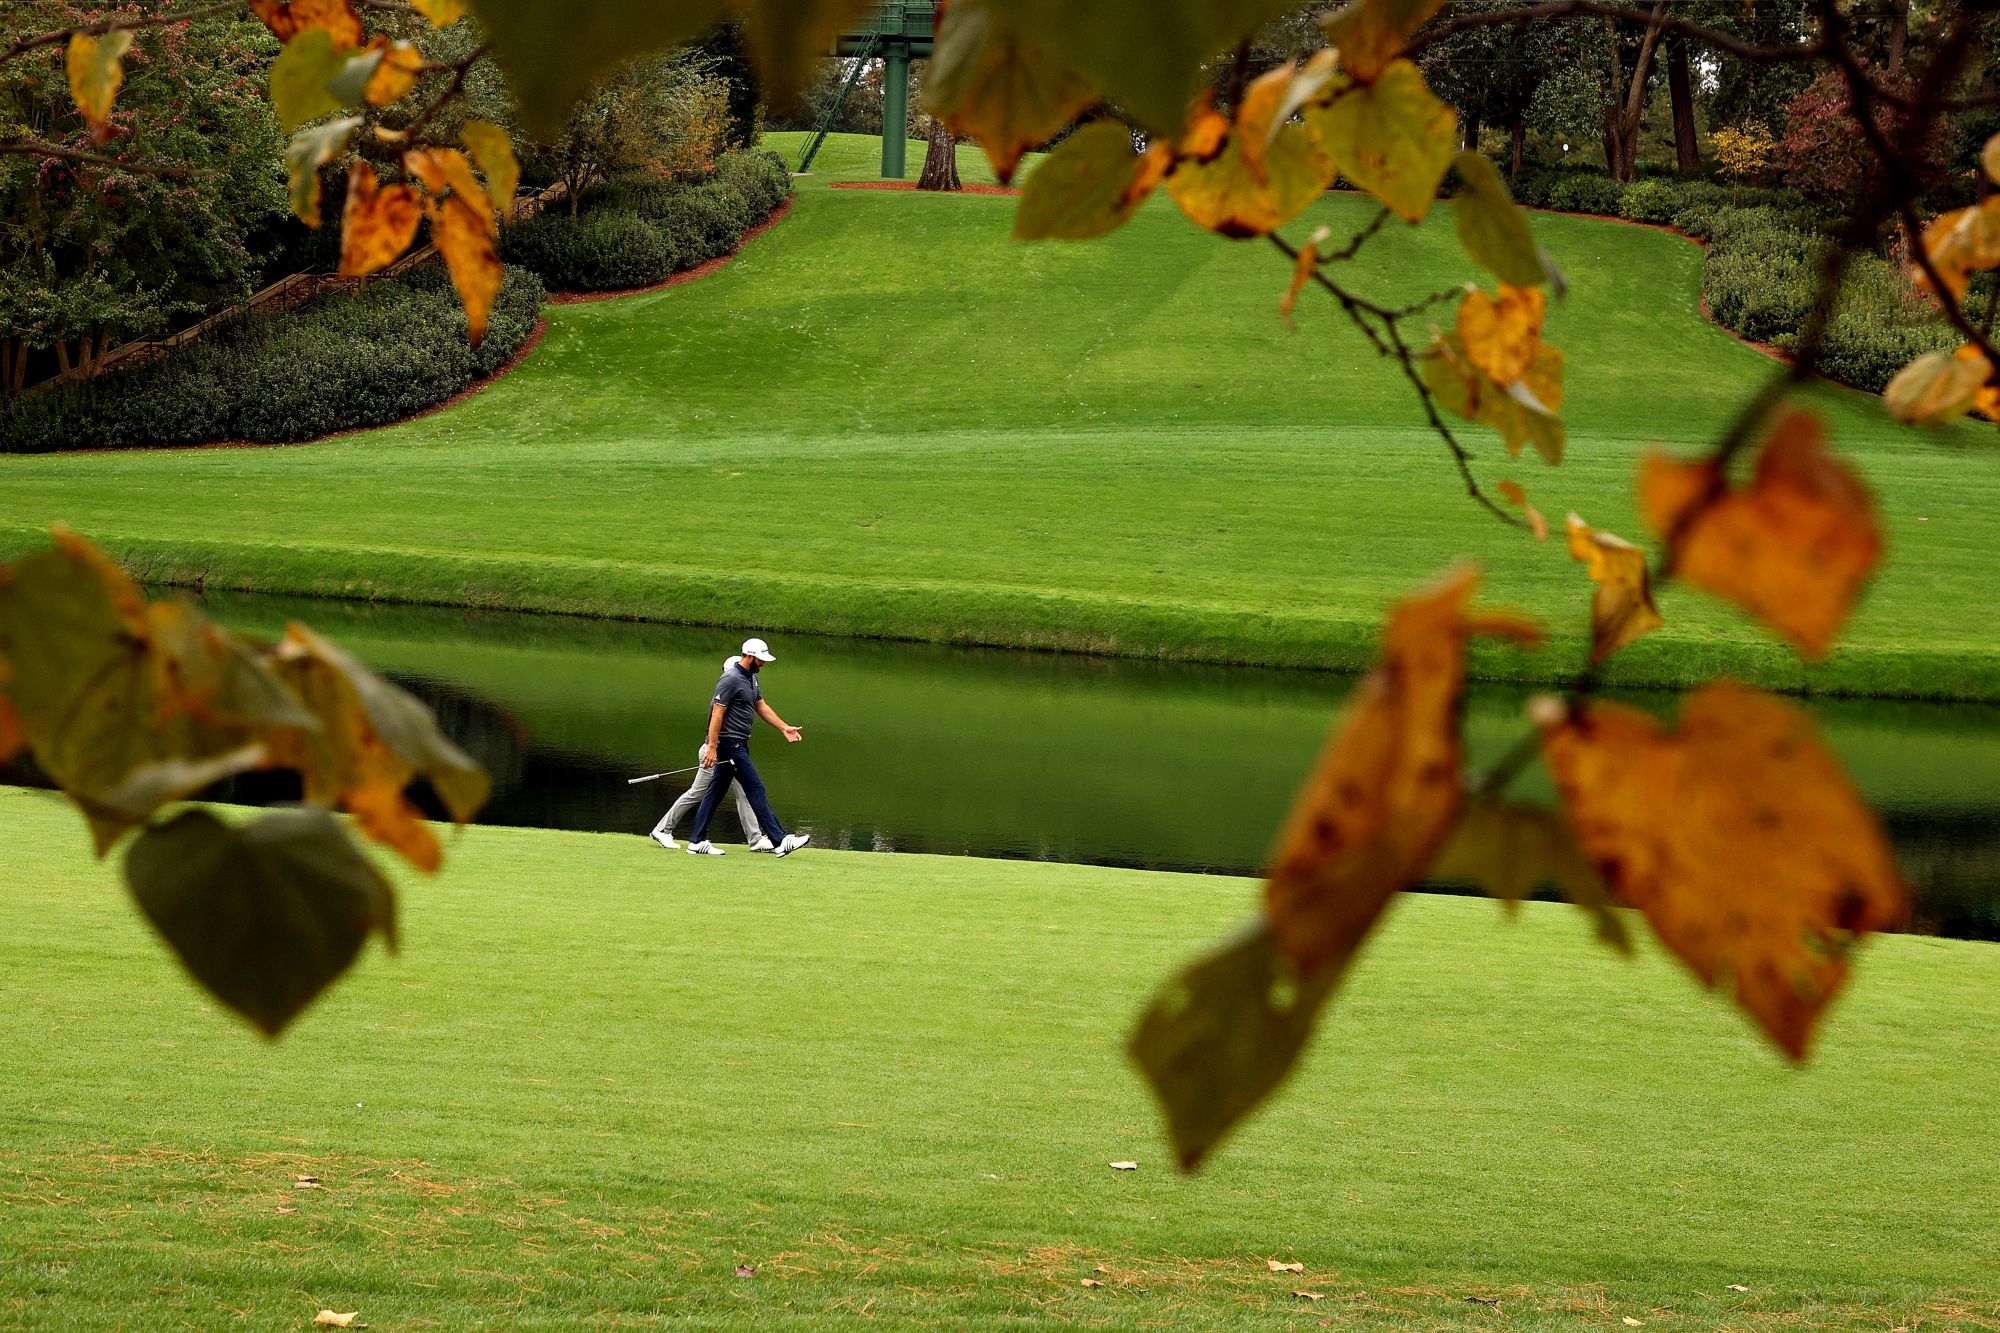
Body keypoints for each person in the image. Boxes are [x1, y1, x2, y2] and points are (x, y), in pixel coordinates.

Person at [684, 637, 811, 858]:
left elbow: (760, 706)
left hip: (738, 742)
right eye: (760, 659)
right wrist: (712, 747)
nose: (763, 663)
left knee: (715, 792)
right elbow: (717, 713)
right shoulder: (730, 679)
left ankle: (696, 840)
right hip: (729, 744)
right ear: (749, 656)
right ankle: (780, 840)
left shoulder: (750, 678)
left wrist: (783, 728)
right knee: (755, 788)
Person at [650, 656, 775, 852]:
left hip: (726, 753)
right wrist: (713, 750)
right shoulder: (729, 688)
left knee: (744, 792)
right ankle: (662, 829)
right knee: (697, 793)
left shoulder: (737, 688)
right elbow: (716, 724)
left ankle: (756, 839)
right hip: (714, 753)